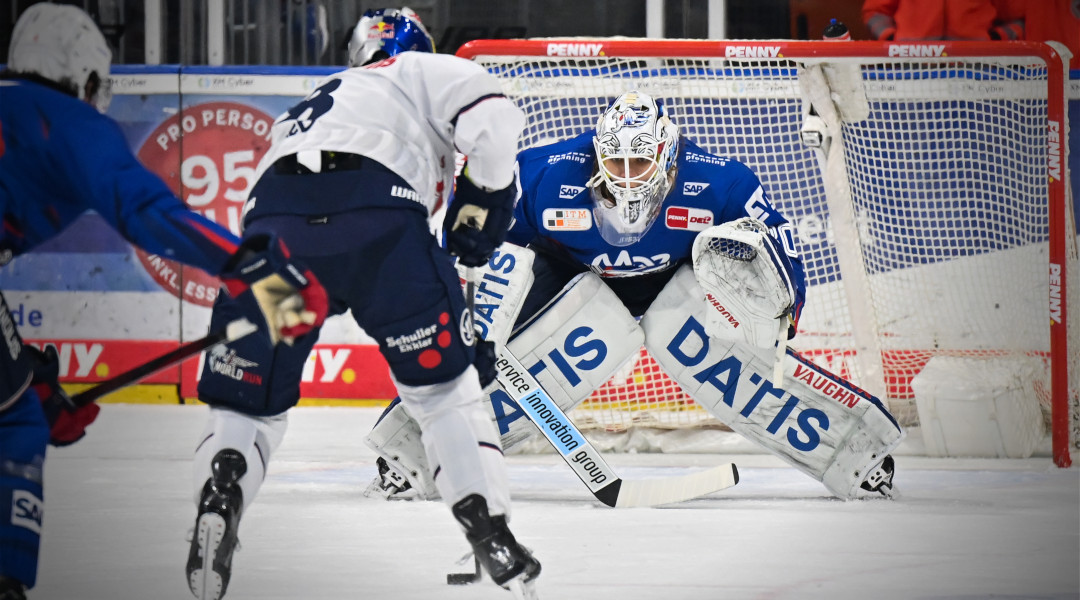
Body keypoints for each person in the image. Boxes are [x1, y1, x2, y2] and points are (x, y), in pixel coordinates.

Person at [366, 90, 905, 505]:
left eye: (639, 165)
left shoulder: (721, 184)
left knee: (720, 358)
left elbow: (781, 246)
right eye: (615, 164)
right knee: (523, 352)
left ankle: (858, 454)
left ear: (667, 157)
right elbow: (476, 227)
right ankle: (410, 455)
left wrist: (787, 311)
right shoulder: (545, 174)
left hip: (674, 282)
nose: (625, 178)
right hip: (571, 275)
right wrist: (472, 299)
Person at [187, 7, 540, 600]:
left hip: (276, 244)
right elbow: (497, 120)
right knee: (443, 396)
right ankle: (488, 524)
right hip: (377, 230)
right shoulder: (420, 69)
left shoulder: (310, 105)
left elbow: (264, 199)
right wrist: (481, 205)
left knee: (248, 405)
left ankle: (220, 494)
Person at [0, 5, 329, 600]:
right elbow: (152, 214)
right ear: (88, 78)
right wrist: (260, 274)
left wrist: (21, 377)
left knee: (19, 405)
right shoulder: (67, 120)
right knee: (16, 427)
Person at [862, 0, 1024, 41]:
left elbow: (1020, 18)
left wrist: (995, 39)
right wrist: (892, 39)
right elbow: (875, 11)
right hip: (912, 67)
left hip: (978, 68)